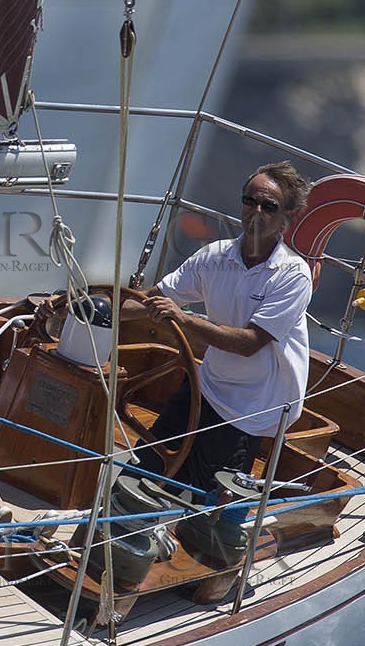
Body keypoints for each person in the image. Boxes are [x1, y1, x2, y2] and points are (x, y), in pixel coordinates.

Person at [122, 160, 314, 494]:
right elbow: (149, 300)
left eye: (268, 206)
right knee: (139, 476)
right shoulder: (214, 256)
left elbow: (249, 342)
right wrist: (79, 308)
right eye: (249, 201)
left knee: (203, 508)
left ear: (286, 218)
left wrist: (182, 318)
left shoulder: (293, 276)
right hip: (206, 388)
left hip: (250, 409)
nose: (256, 211)